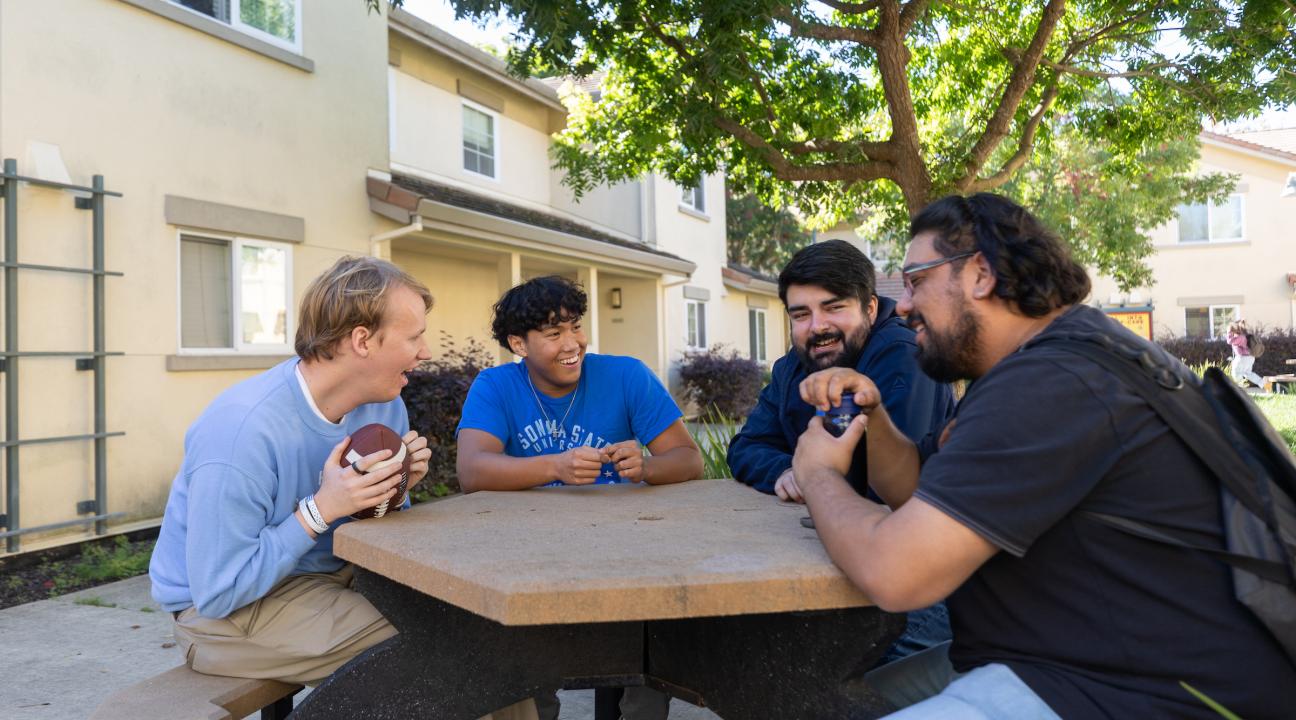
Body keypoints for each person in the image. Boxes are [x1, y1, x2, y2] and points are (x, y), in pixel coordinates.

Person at [790, 193, 1296, 719]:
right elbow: (921, 485)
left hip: (1149, 695)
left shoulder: (1054, 383)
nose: (904, 305)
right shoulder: (1061, 357)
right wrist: (875, 420)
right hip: (1076, 664)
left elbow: (893, 573)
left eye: (917, 280)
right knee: (828, 700)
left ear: (981, 274)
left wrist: (820, 475)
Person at [149, 256, 534, 719]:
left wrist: (389, 495)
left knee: (490, 637)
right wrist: (320, 509)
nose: (425, 351)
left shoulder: (382, 407)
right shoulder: (242, 431)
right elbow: (219, 589)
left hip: (333, 578)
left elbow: (372, 532)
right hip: (225, 615)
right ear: (362, 340)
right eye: (414, 337)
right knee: (447, 659)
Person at [456, 274, 704, 720]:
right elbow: (472, 470)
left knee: (647, 660)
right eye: (553, 333)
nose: (572, 343)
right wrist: (556, 466)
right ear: (519, 343)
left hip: (626, 558)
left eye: (575, 327)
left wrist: (645, 466)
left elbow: (689, 459)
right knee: (528, 670)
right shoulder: (495, 387)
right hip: (532, 561)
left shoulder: (626, 375)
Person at [727, 239, 955, 664]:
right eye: (801, 314)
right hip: (830, 559)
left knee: (818, 672)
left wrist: (819, 477)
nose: (817, 327)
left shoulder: (904, 355)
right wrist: (790, 471)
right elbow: (746, 446)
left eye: (834, 308)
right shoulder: (793, 365)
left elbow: (886, 491)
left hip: (925, 581)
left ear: (870, 308)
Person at [1227, 319, 1268, 391]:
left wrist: (1229, 332)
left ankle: (1239, 389)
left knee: (1236, 373)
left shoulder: (1241, 338)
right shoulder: (1246, 336)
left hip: (1242, 358)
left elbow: (1230, 341)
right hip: (1250, 357)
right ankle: (1264, 384)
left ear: (1235, 329)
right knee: (1248, 373)